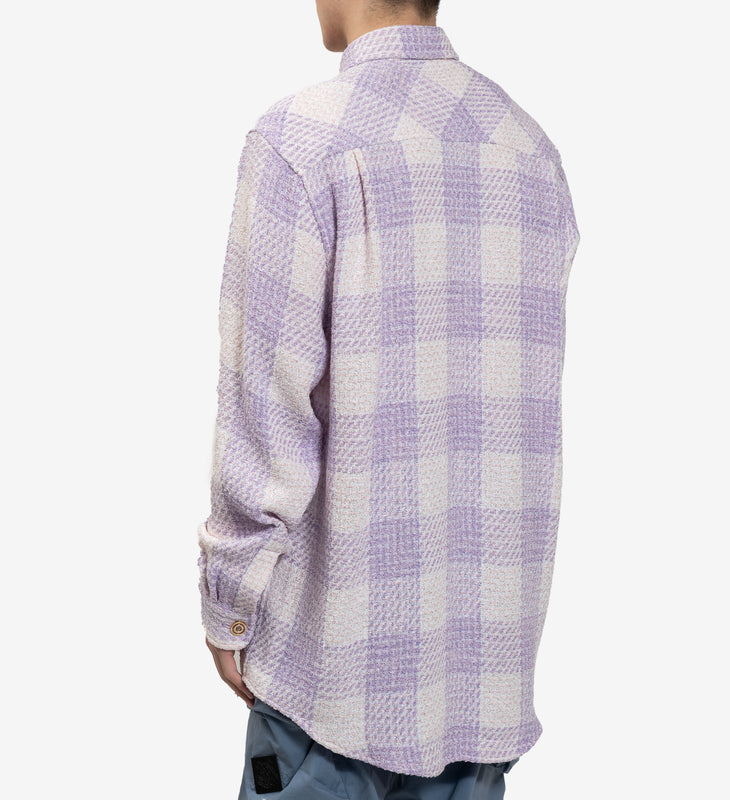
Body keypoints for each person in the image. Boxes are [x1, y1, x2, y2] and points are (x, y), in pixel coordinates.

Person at [196, 1, 580, 797]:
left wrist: (230, 601)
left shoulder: (299, 143)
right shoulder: (530, 152)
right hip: (481, 684)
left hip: (329, 687)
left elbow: (264, 412)